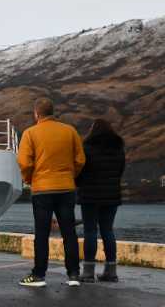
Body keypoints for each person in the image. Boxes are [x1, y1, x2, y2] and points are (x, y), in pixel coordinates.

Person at [17, 97, 86, 288]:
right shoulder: (70, 131)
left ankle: (39, 275)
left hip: (42, 189)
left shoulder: (30, 133)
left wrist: (29, 179)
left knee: (42, 233)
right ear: (53, 112)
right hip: (66, 188)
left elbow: (24, 162)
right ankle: (74, 275)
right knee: (69, 232)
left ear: (36, 114)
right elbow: (80, 159)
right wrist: (70, 175)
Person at [76, 119, 126, 283]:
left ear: (93, 130)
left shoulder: (87, 148)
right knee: (108, 231)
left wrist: (79, 185)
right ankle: (111, 272)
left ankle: (88, 273)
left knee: (90, 231)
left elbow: (80, 172)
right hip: (111, 196)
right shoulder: (119, 149)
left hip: (89, 196)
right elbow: (120, 171)